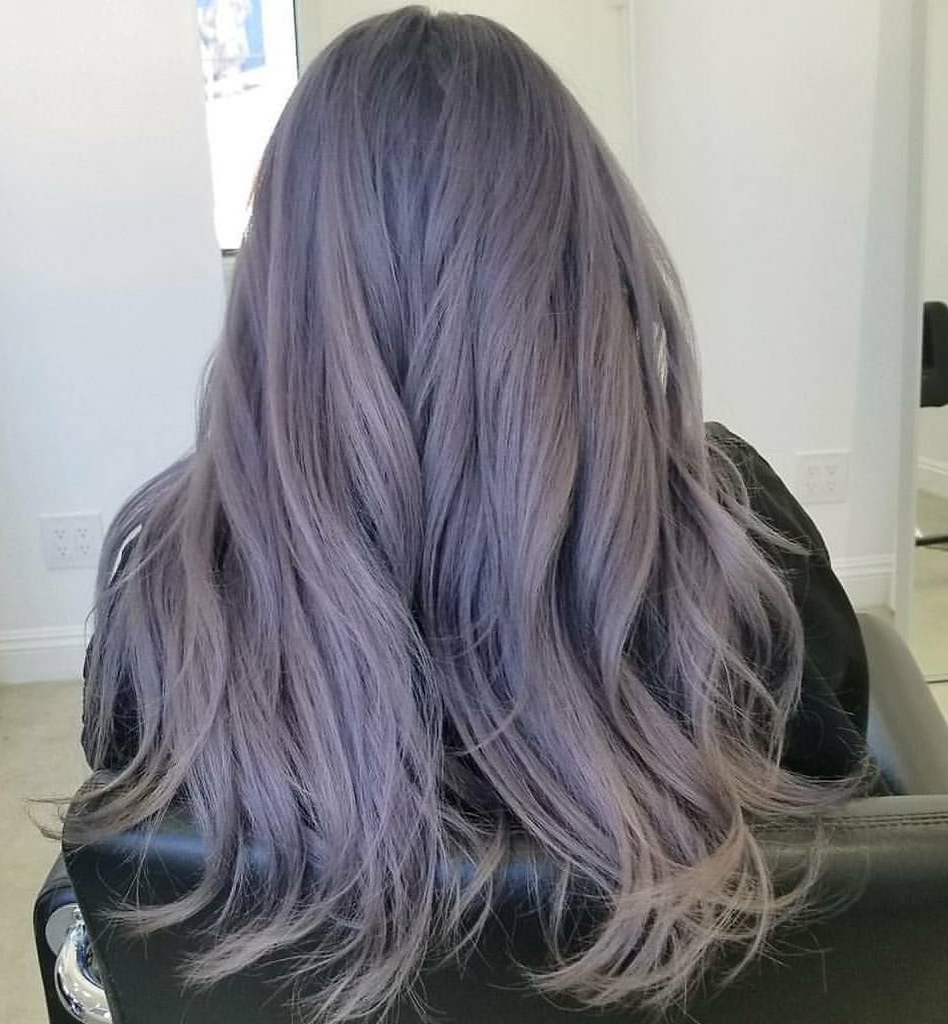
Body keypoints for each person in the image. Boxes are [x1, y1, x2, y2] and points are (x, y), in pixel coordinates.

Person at [76, 8, 872, 1021]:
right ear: (592, 258)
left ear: (280, 285)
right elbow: (847, 831)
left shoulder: (165, 590)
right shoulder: (741, 542)